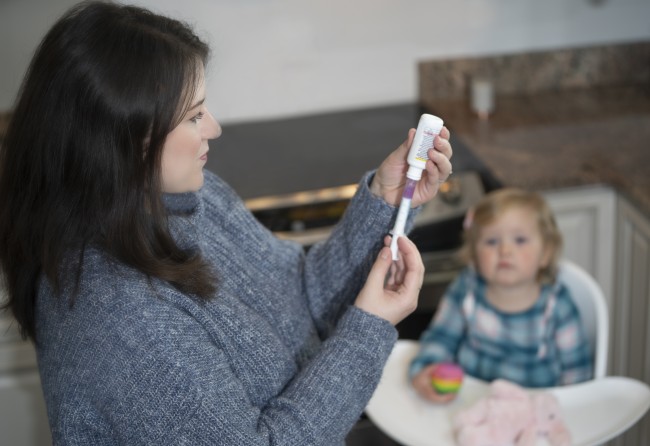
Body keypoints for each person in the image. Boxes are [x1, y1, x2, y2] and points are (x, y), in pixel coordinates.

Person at [0, 2, 454, 445]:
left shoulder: (189, 195)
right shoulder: (119, 317)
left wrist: (385, 202)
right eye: (194, 116)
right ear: (126, 142)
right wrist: (368, 329)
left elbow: (299, 292)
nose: (214, 128)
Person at [410, 188, 593, 403]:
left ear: (545, 253)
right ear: (474, 254)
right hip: (469, 403)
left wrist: (566, 410)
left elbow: (577, 373)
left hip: (533, 412)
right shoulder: (466, 289)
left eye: (520, 240)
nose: (505, 250)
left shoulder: (557, 305)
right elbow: (441, 338)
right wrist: (428, 368)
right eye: (492, 242)